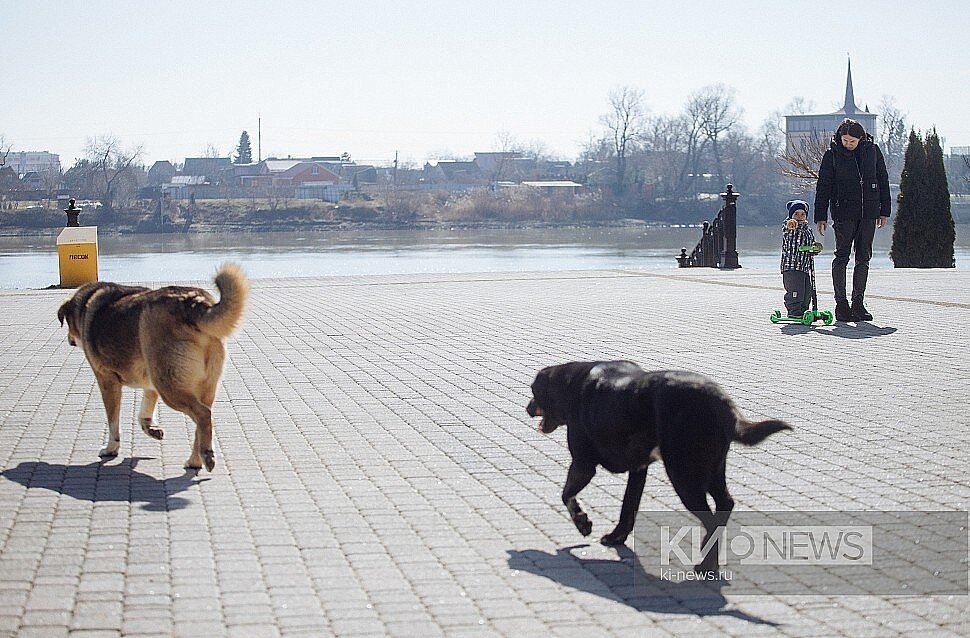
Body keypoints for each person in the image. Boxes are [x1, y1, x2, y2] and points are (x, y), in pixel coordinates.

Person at [813, 118, 891, 322]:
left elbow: (882, 179)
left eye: (852, 141)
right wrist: (820, 216)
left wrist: (885, 211)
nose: (848, 144)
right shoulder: (832, 156)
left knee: (863, 258)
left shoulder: (872, 152)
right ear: (839, 137)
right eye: (845, 140)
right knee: (842, 257)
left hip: (868, 212)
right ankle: (841, 304)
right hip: (843, 212)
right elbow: (823, 186)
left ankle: (858, 303)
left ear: (861, 139)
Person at [780, 200, 820, 317]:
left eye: (802, 214)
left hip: (804, 266)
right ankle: (793, 310)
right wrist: (790, 224)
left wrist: (814, 248)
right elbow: (787, 230)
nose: (799, 217)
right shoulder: (790, 227)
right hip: (791, 266)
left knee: (807, 291)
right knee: (795, 290)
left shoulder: (808, 230)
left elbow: (811, 245)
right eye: (796, 214)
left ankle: (803, 309)